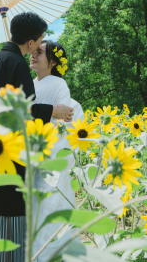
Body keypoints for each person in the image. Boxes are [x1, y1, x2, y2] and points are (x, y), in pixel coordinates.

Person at [0, 11, 73, 262]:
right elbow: (20, 114)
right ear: (31, 42)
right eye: (40, 40)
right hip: (3, 159)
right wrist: (52, 111)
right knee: (5, 234)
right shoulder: (16, 65)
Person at [29, 40, 84, 261]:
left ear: (52, 62)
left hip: (45, 157)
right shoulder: (31, 84)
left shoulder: (59, 87)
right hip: (39, 157)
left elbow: (64, 130)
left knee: (47, 211)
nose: (33, 55)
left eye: (39, 52)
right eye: (33, 51)